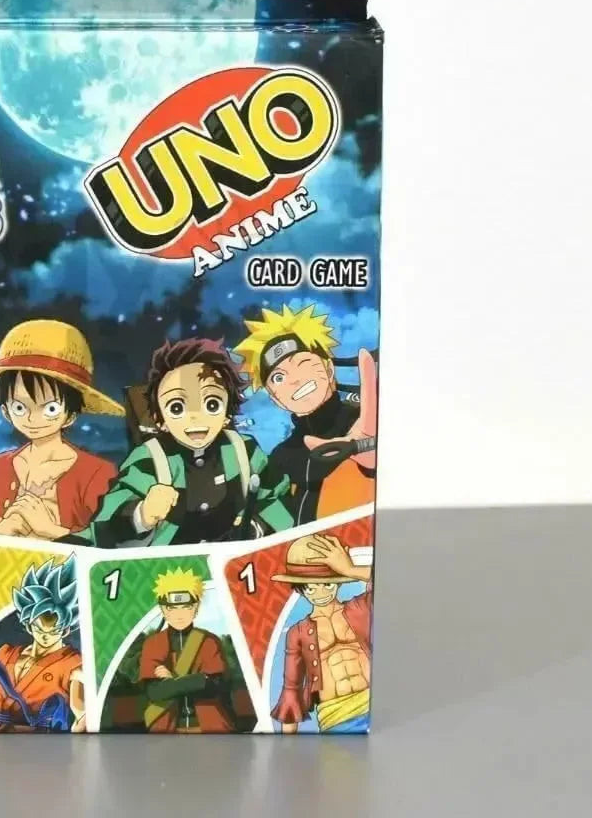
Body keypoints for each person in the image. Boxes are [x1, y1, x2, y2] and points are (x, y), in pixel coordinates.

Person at [84, 338, 292, 547]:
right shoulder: (149, 458)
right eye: (177, 407)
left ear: (228, 412)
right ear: (159, 418)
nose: (195, 417)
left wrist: (256, 526)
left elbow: (277, 499)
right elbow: (105, 524)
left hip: (235, 560)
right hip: (169, 563)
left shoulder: (244, 450)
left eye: (211, 404)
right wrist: (141, 515)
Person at [0, 321, 121, 539]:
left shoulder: (96, 473)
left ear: (71, 415)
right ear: (6, 411)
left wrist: (50, 530)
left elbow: (111, 541)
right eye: (20, 407)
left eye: (50, 408)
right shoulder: (2, 466)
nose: (32, 418)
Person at [235, 304, 377, 525]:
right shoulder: (281, 457)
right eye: (279, 378)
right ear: (275, 399)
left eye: (303, 364)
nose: (294, 380)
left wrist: (368, 448)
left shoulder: (364, 423)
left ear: (329, 369)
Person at [0, 556, 85, 732]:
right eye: (39, 629)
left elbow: (83, 717)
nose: (45, 637)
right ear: (29, 625)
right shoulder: (5, 654)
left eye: (54, 631)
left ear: (65, 630)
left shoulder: (72, 664)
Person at [270, 534, 372, 733]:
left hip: (373, 706)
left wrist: (350, 569)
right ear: (300, 589)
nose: (321, 593)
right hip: (336, 718)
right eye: (311, 588)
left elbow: (391, 583)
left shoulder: (361, 607)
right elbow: (291, 690)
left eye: (327, 584)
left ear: (338, 582)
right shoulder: (298, 632)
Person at [139, 568, 234, 733]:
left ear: (196, 607)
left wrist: (171, 681)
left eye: (186, 607)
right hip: (165, 729)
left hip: (209, 727)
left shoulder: (209, 641)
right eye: (172, 608)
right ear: (163, 610)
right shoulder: (153, 644)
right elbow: (154, 692)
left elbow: (214, 686)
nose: (179, 614)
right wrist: (198, 680)